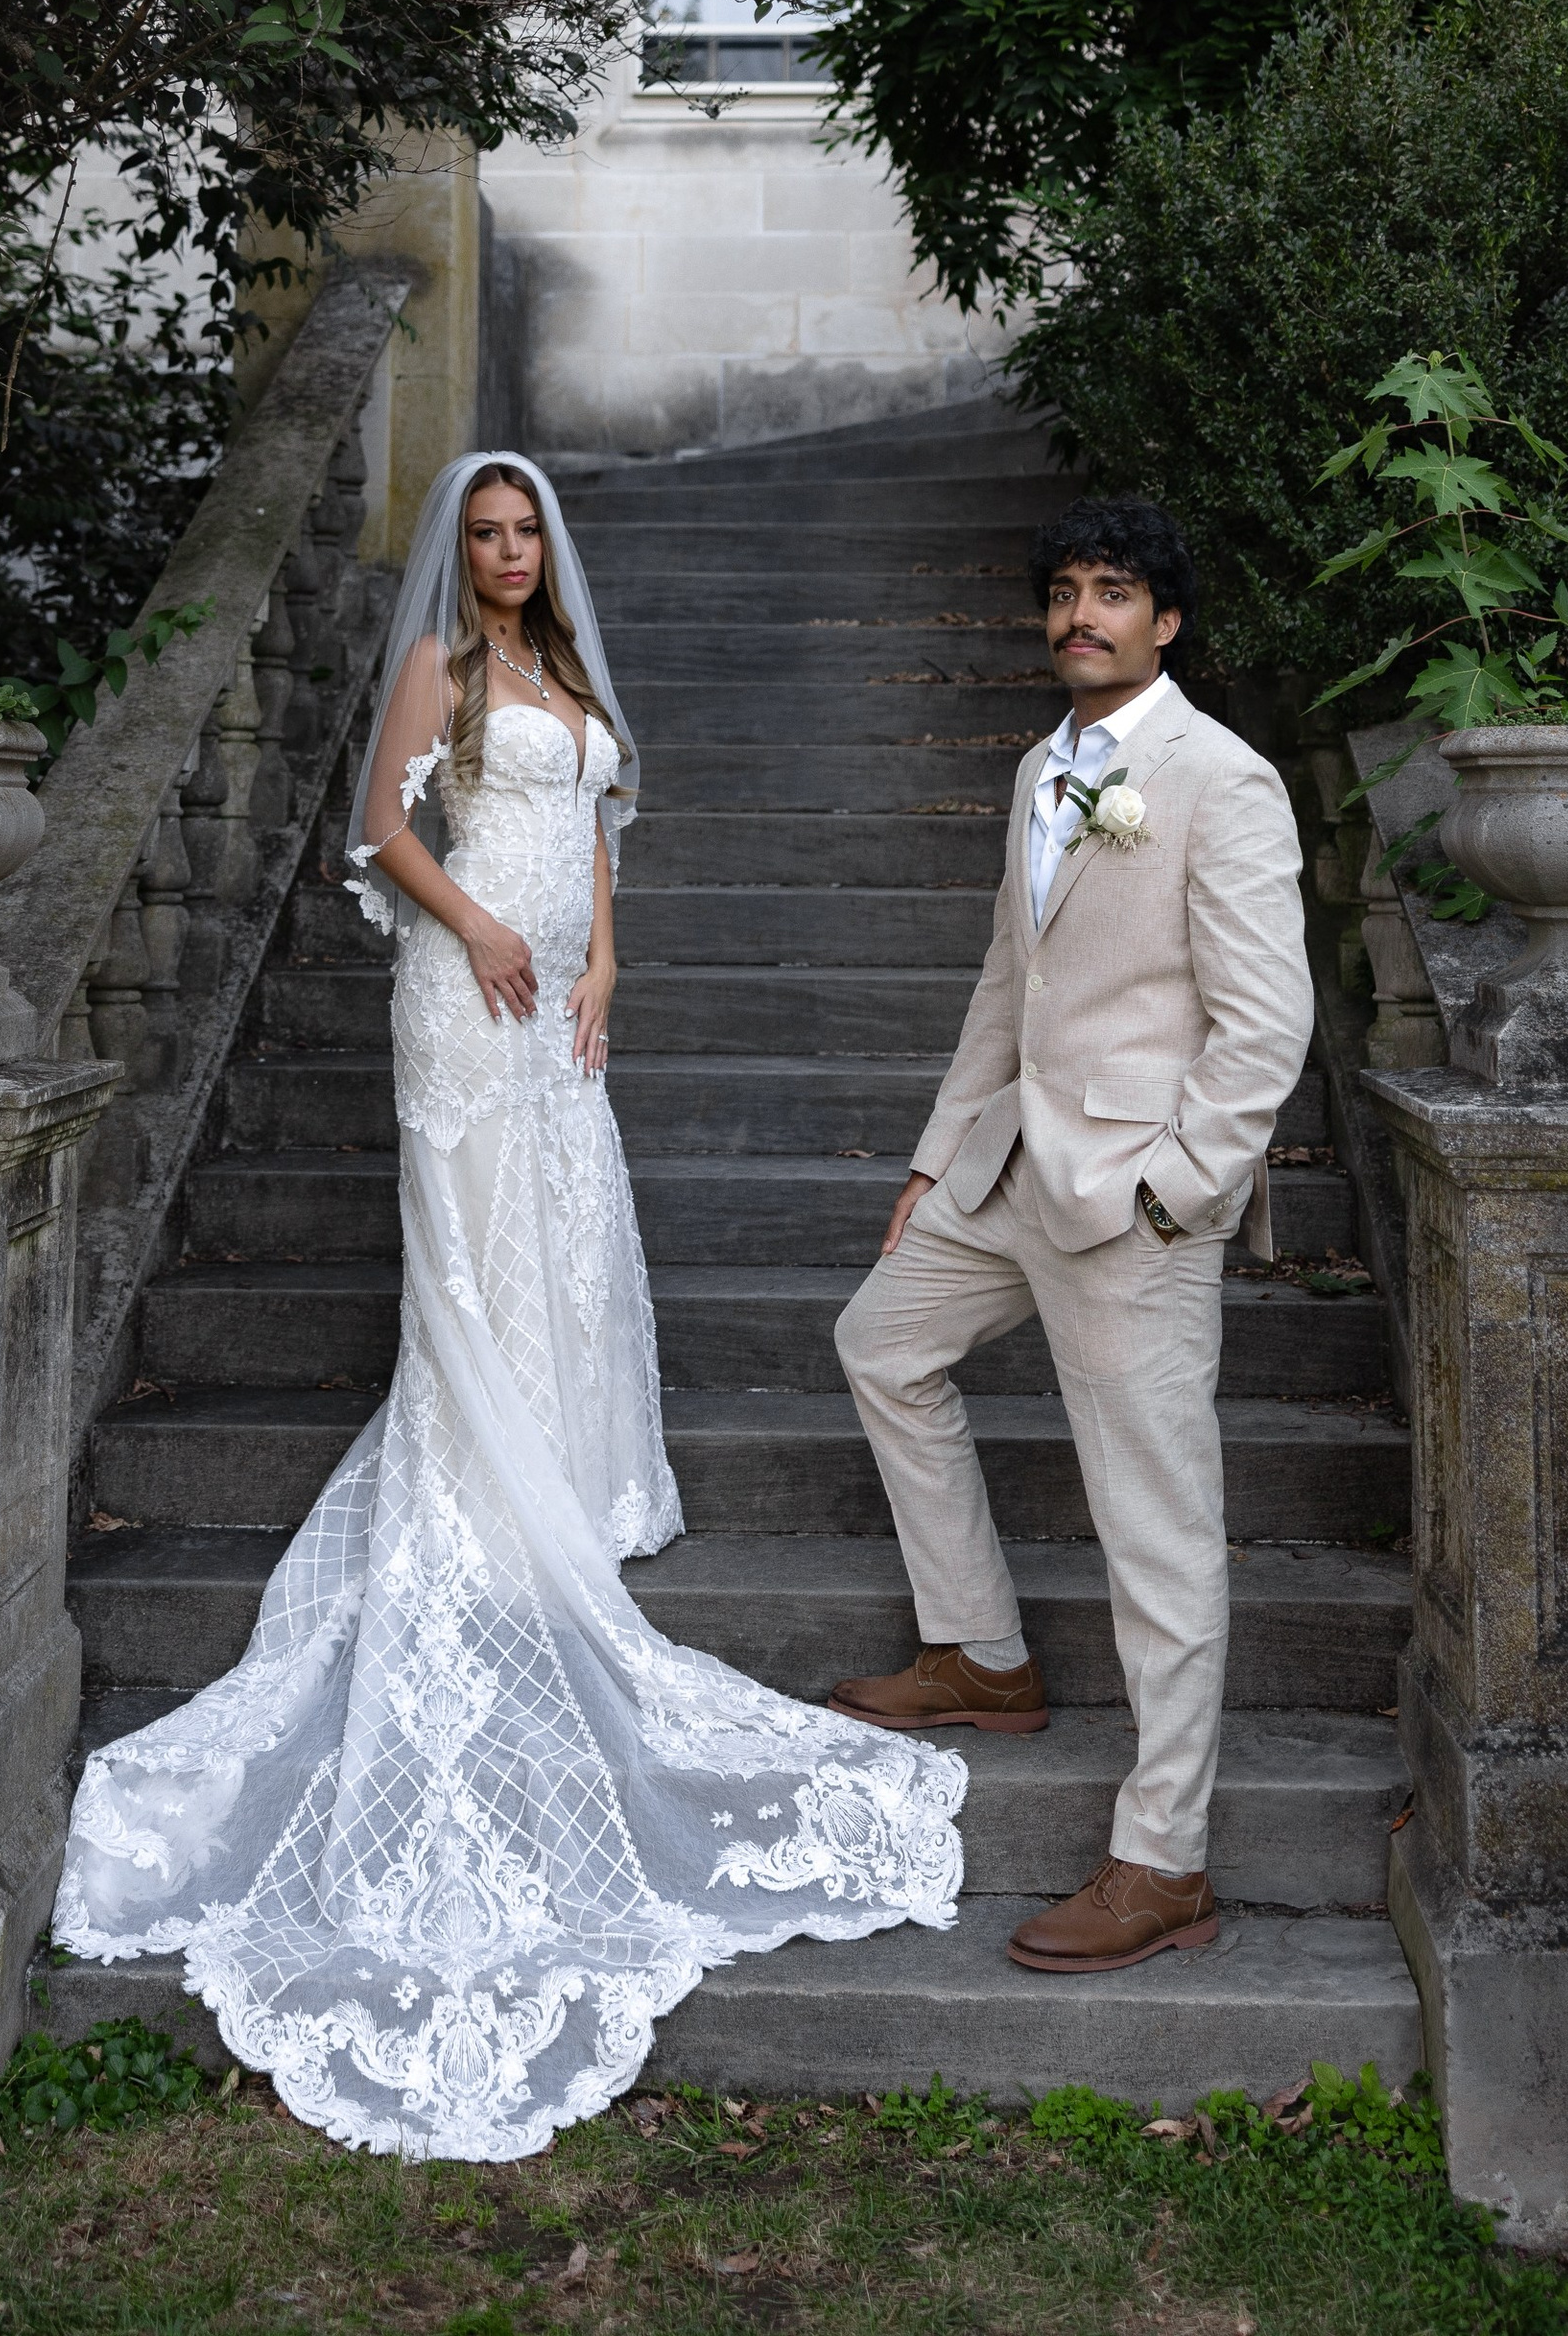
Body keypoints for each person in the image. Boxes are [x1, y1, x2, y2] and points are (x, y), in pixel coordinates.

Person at [56, 452, 964, 2157]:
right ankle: (488, 1478)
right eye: (481, 532)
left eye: (522, 529)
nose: (501, 551)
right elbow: (381, 826)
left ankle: (569, 1460)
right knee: (478, 1242)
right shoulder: (445, 672)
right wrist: (477, 928)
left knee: (569, 1227)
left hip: (564, 1001)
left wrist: (605, 953)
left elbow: (600, 824)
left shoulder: (570, 677)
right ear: (459, 556)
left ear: (548, 548)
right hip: (461, 997)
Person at [827, 496, 1313, 1974]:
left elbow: (1265, 1022)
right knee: (880, 1342)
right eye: (1063, 590)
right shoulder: (1042, 767)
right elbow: (1006, 984)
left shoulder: (1221, 779)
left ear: (1166, 620)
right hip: (1011, 1174)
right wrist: (937, 1155)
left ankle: (1162, 1859)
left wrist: (1181, 1188)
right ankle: (982, 1650)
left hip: (1134, 1201)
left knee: (1155, 1532)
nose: (1080, 613)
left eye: (1112, 592)